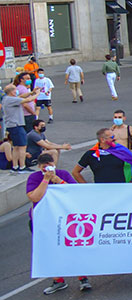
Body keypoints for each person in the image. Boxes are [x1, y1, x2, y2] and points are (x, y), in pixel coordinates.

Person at [27, 153, 91, 294]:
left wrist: (58, 180)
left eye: (50, 166)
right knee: (50, 251)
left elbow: (74, 192)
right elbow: (34, 196)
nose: (48, 169)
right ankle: (58, 281)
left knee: (73, 248)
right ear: (39, 167)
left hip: (65, 222)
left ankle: (83, 278)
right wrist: (45, 181)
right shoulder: (34, 178)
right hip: (43, 222)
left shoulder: (63, 174)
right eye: (44, 167)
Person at [2, 84, 37, 172]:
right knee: (22, 146)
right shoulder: (11, 99)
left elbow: (21, 96)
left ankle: (15, 166)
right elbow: (28, 100)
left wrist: (32, 92)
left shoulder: (7, 99)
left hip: (12, 125)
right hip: (16, 125)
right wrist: (37, 94)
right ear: (11, 92)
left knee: (16, 147)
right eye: (15, 90)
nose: (16, 91)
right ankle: (22, 166)